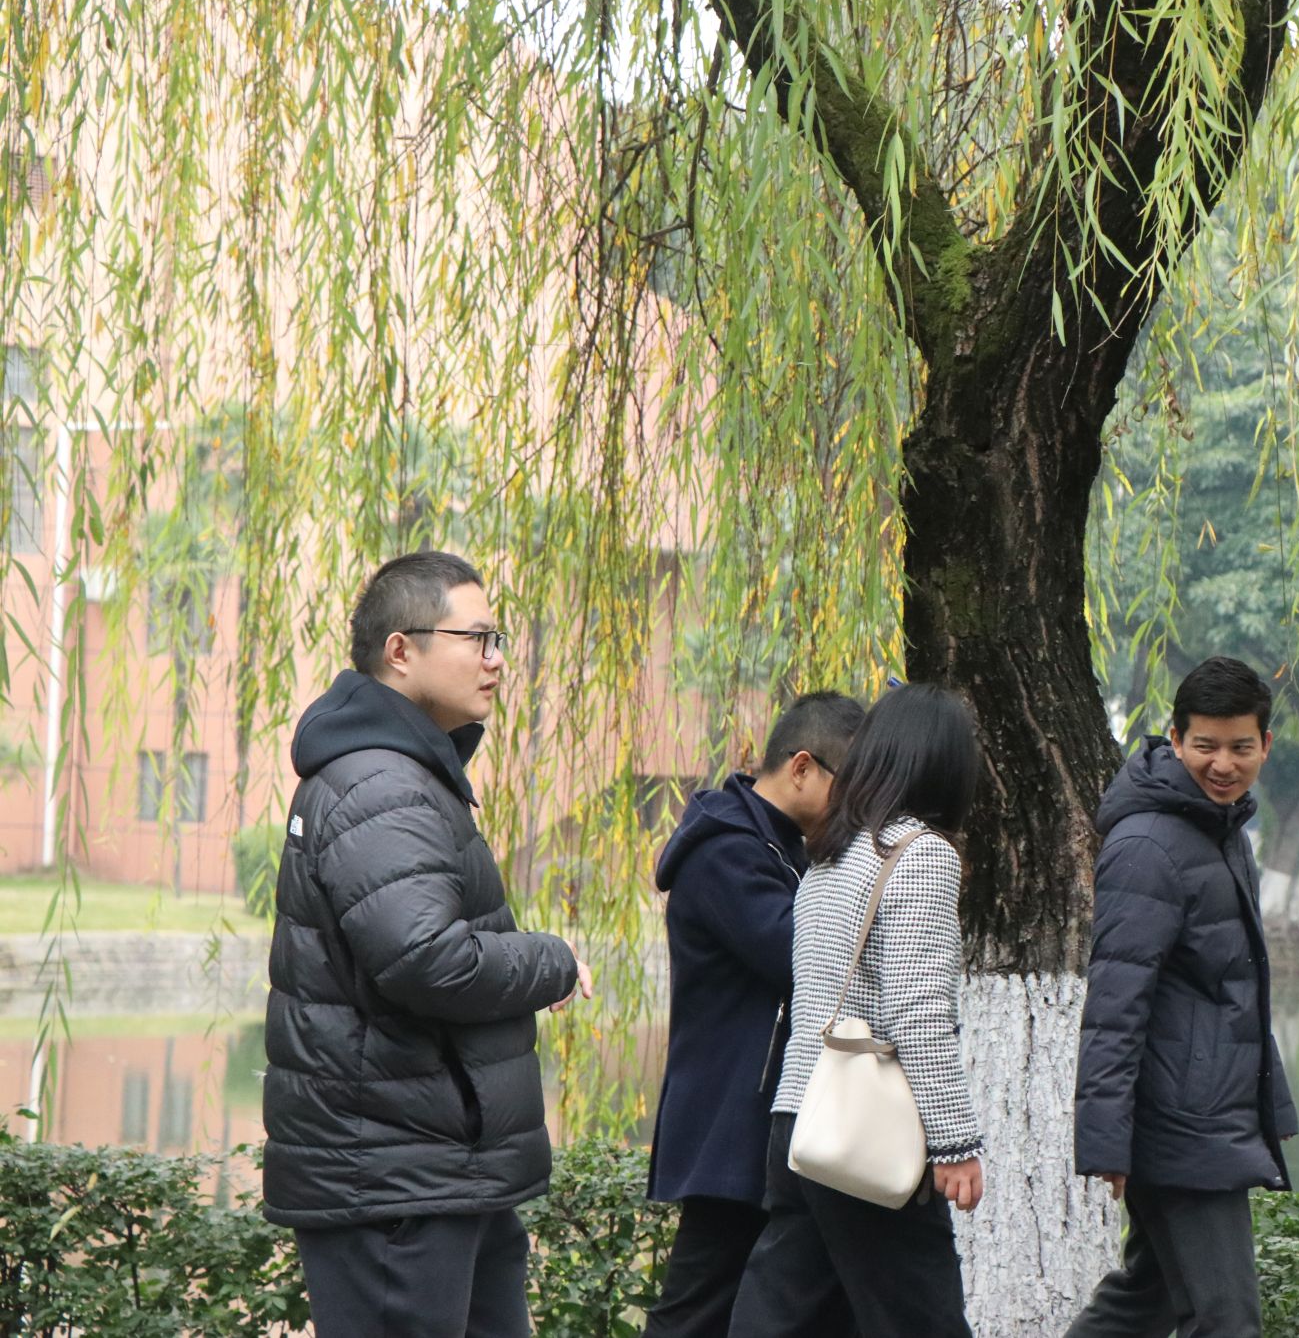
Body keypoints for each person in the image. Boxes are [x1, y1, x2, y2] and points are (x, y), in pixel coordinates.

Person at [262, 550, 593, 1337]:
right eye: (477, 638)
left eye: (497, 638)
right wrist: (551, 960)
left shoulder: (401, 771)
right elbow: (425, 959)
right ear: (400, 650)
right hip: (394, 1182)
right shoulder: (380, 780)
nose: (497, 659)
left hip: (436, 1171)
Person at [727, 683, 985, 1338]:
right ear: (947, 767)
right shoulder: (918, 854)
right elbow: (917, 1012)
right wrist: (955, 1143)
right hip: (866, 1129)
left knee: (781, 1316)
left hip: (801, 1120)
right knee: (922, 1320)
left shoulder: (829, 856)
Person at [1067, 656, 1298, 1338]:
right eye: (1205, 745)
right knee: (1226, 1320)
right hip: (1181, 1122)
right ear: (1175, 739)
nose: (1223, 764)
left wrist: (1271, 1102)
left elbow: (1232, 988)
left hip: (1209, 1109)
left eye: (1240, 747)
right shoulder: (1149, 843)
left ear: (1265, 744)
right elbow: (1116, 1003)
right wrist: (1107, 1141)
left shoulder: (1219, 830)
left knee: (1147, 1300)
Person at [641, 692, 866, 1338]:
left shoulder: (784, 847)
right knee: (697, 1312)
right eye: (852, 791)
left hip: (770, 1117)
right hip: (732, 1122)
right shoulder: (727, 853)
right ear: (802, 767)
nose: (857, 812)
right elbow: (800, 958)